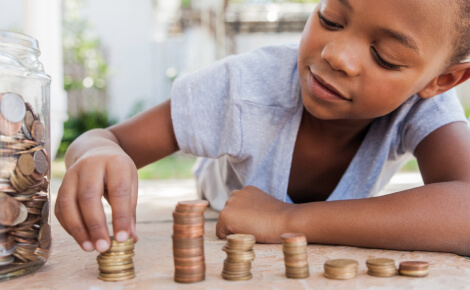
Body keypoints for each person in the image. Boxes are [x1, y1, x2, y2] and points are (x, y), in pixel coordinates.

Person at [55, 0, 470, 256]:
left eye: (385, 56)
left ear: (441, 80)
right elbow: (106, 139)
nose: (336, 54)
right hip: (223, 191)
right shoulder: (243, 88)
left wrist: (289, 220)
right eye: (331, 17)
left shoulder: (422, 104)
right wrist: (95, 152)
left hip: (277, 213)